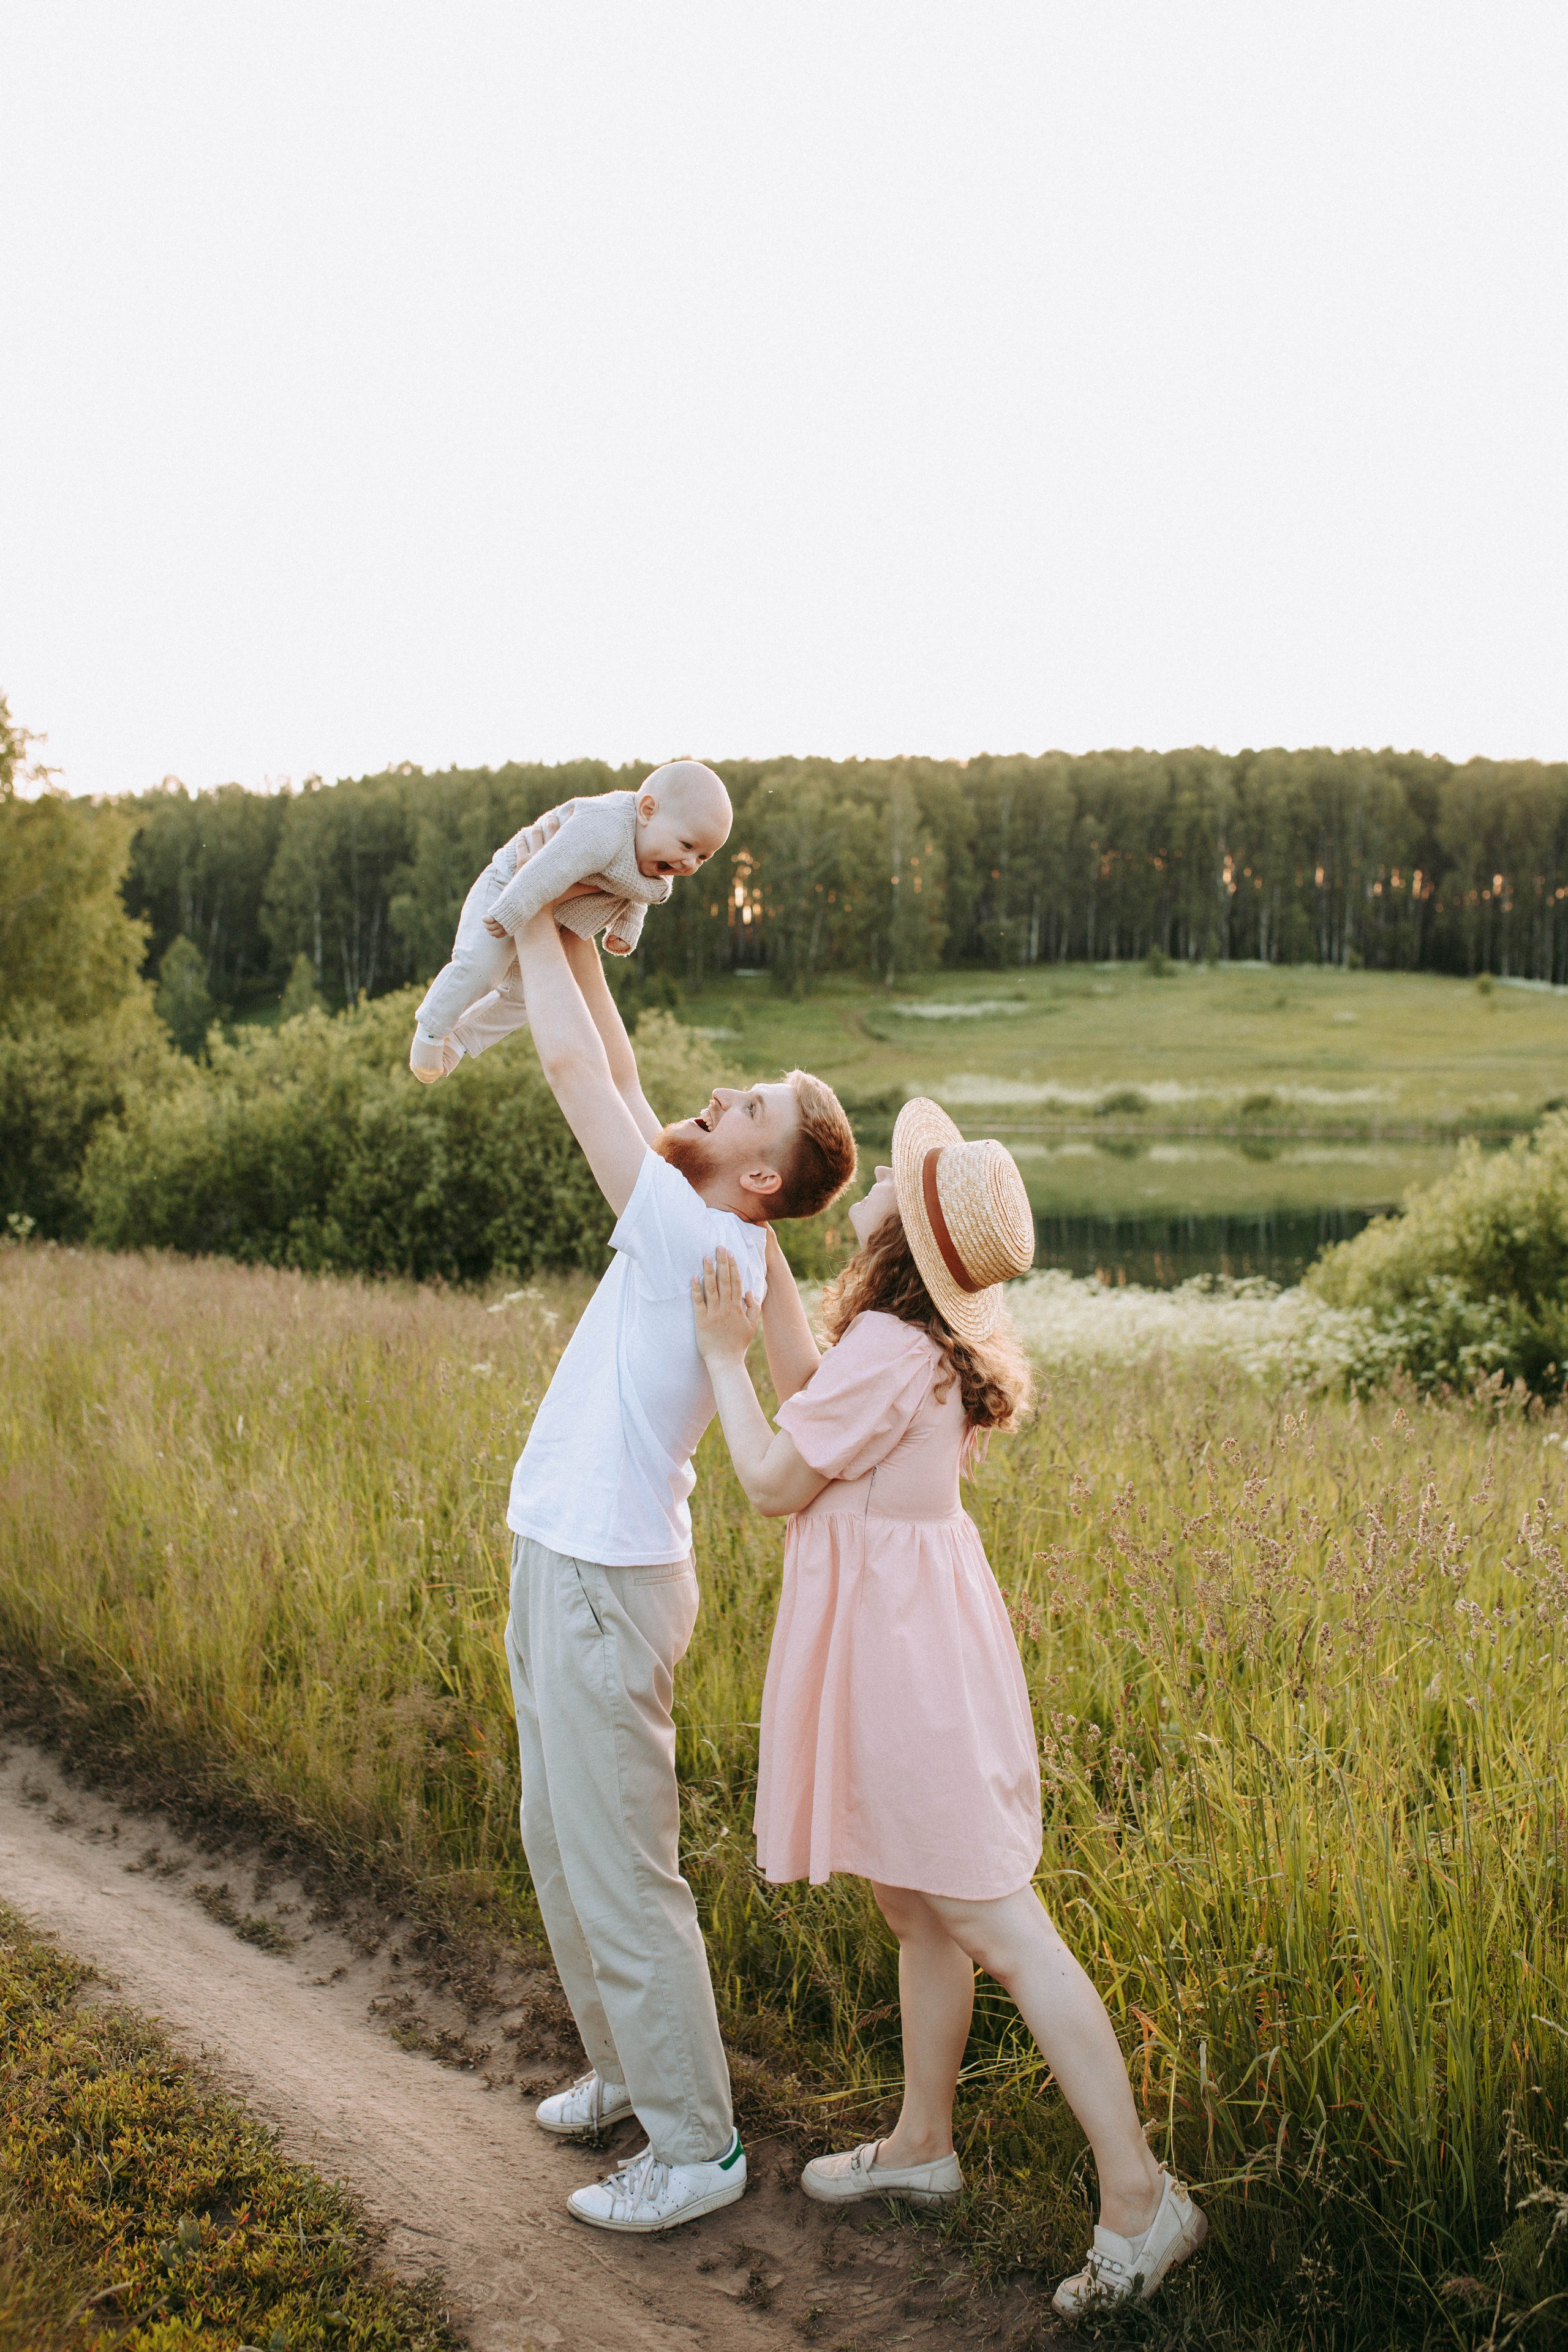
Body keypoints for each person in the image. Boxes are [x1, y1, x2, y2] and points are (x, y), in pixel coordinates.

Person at [690, 1098, 1207, 2315]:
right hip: (914, 1643)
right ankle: (924, 2144)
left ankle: (1142, 2199)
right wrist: (766, 1264)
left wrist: (719, 1350)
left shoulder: (889, 1347)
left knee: (995, 1921)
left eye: (893, 1178)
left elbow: (773, 1479)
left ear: (902, 1235)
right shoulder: (908, 1345)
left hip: (904, 1661)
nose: (876, 1178)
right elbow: (818, 1401)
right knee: (918, 1904)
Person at [501, 900, 856, 2234]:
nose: (723, 1094)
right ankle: (625, 2071)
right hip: (567, 1555)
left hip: (605, 1579)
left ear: (757, 1176)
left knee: (621, 1870)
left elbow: (572, 1069)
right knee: (559, 1841)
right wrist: (584, 940)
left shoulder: (692, 1234)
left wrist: (526, 910)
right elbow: (625, 1070)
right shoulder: (720, 1230)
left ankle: (697, 2148)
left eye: (750, 1107)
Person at [409, 760, 732, 1083]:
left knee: (528, 995)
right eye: (687, 846)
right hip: (511, 885)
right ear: (648, 811)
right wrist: (510, 910)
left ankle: (460, 1040)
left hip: (545, 911)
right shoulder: (603, 827)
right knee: (482, 967)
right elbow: (549, 867)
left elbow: (638, 888)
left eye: (703, 857)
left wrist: (625, 929)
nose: (690, 864)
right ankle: (431, 1031)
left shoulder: (654, 855)